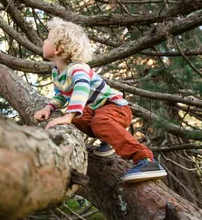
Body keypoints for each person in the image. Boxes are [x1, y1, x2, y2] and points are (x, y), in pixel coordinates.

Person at [34, 17, 167, 183]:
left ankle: (146, 160)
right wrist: (48, 108)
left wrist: (67, 116)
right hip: (98, 110)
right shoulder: (57, 72)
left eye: (47, 39)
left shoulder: (78, 69)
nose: (43, 41)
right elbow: (61, 95)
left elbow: (81, 89)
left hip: (115, 107)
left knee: (96, 121)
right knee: (80, 118)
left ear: (58, 48)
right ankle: (108, 140)